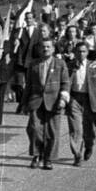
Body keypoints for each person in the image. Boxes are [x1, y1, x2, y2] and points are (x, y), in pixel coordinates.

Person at [23, 39, 70, 170]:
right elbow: (28, 85)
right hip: (36, 101)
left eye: (48, 47)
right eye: (43, 47)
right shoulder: (33, 64)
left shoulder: (60, 64)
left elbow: (66, 83)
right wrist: (24, 103)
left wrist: (63, 99)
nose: (45, 49)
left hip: (54, 102)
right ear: (39, 49)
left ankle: (48, 158)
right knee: (35, 129)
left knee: (52, 132)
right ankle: (37, 155)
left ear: (53, 49)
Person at [65, 42, 96, 166]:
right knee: (76, 129)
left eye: (83, 51)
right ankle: (77, 154)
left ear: (87, 52)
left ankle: (89, 145)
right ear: (75, 52)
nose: (81, 54)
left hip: (90, 100)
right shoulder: (70, 66)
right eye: (78, 51)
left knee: (89, 129)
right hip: (74, 99)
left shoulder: (95, 66)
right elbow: (65, 83)